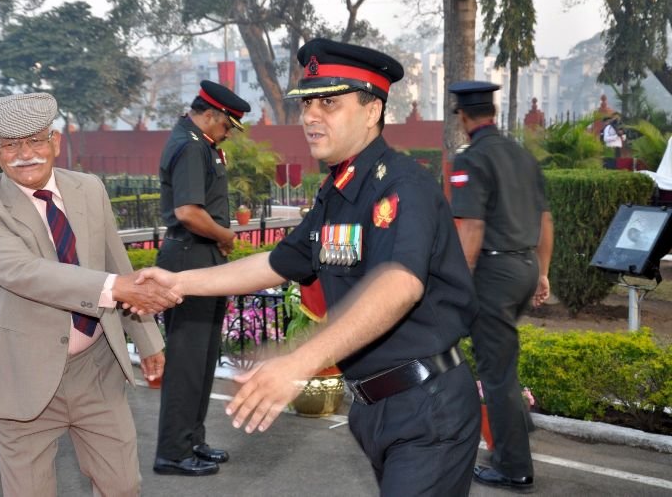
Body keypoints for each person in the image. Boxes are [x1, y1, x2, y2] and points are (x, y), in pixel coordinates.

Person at [140, 39, 481, 495]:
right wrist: (178, 281)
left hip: (426, 408)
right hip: (377, 407)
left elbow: (399, 285)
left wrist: (298, 361)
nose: (310, 117)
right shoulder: (338, 191)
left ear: (372, 110)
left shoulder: (401, 187)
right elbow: (276, 263)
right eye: (307, 104)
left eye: (330, 103)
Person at [0, 92, 180, 496]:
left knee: (123, 486)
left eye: (36, 141)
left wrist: (147, 340)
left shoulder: (89, 188)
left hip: (95, 370)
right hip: (21, 377)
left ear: (55, 141)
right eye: (10, 145)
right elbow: (25, 272)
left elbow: (117, 263)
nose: (25, 154)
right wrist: (114, 288)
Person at [448, 81, 554, 493]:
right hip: (525, 267)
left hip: (493, 274)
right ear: (492, 112)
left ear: (463, 117)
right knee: (500, 361)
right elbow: (545, 222)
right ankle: (518, 426)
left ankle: (514, 467)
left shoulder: (472, 159)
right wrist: (542, 273)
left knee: (497, 374)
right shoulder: (522, 156)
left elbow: (471, 227)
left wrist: (457, 281)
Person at [153, 80, 251, 476]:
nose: (228, 133)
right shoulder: (192, 145)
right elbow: (189, 213)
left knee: (203, 357)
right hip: (190, 255)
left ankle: (192, 439)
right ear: (210, 115)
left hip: (200, 255)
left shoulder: (198, 143)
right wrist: (226, 235)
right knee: (187, 361)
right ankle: (173, 452)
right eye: (228, 125)